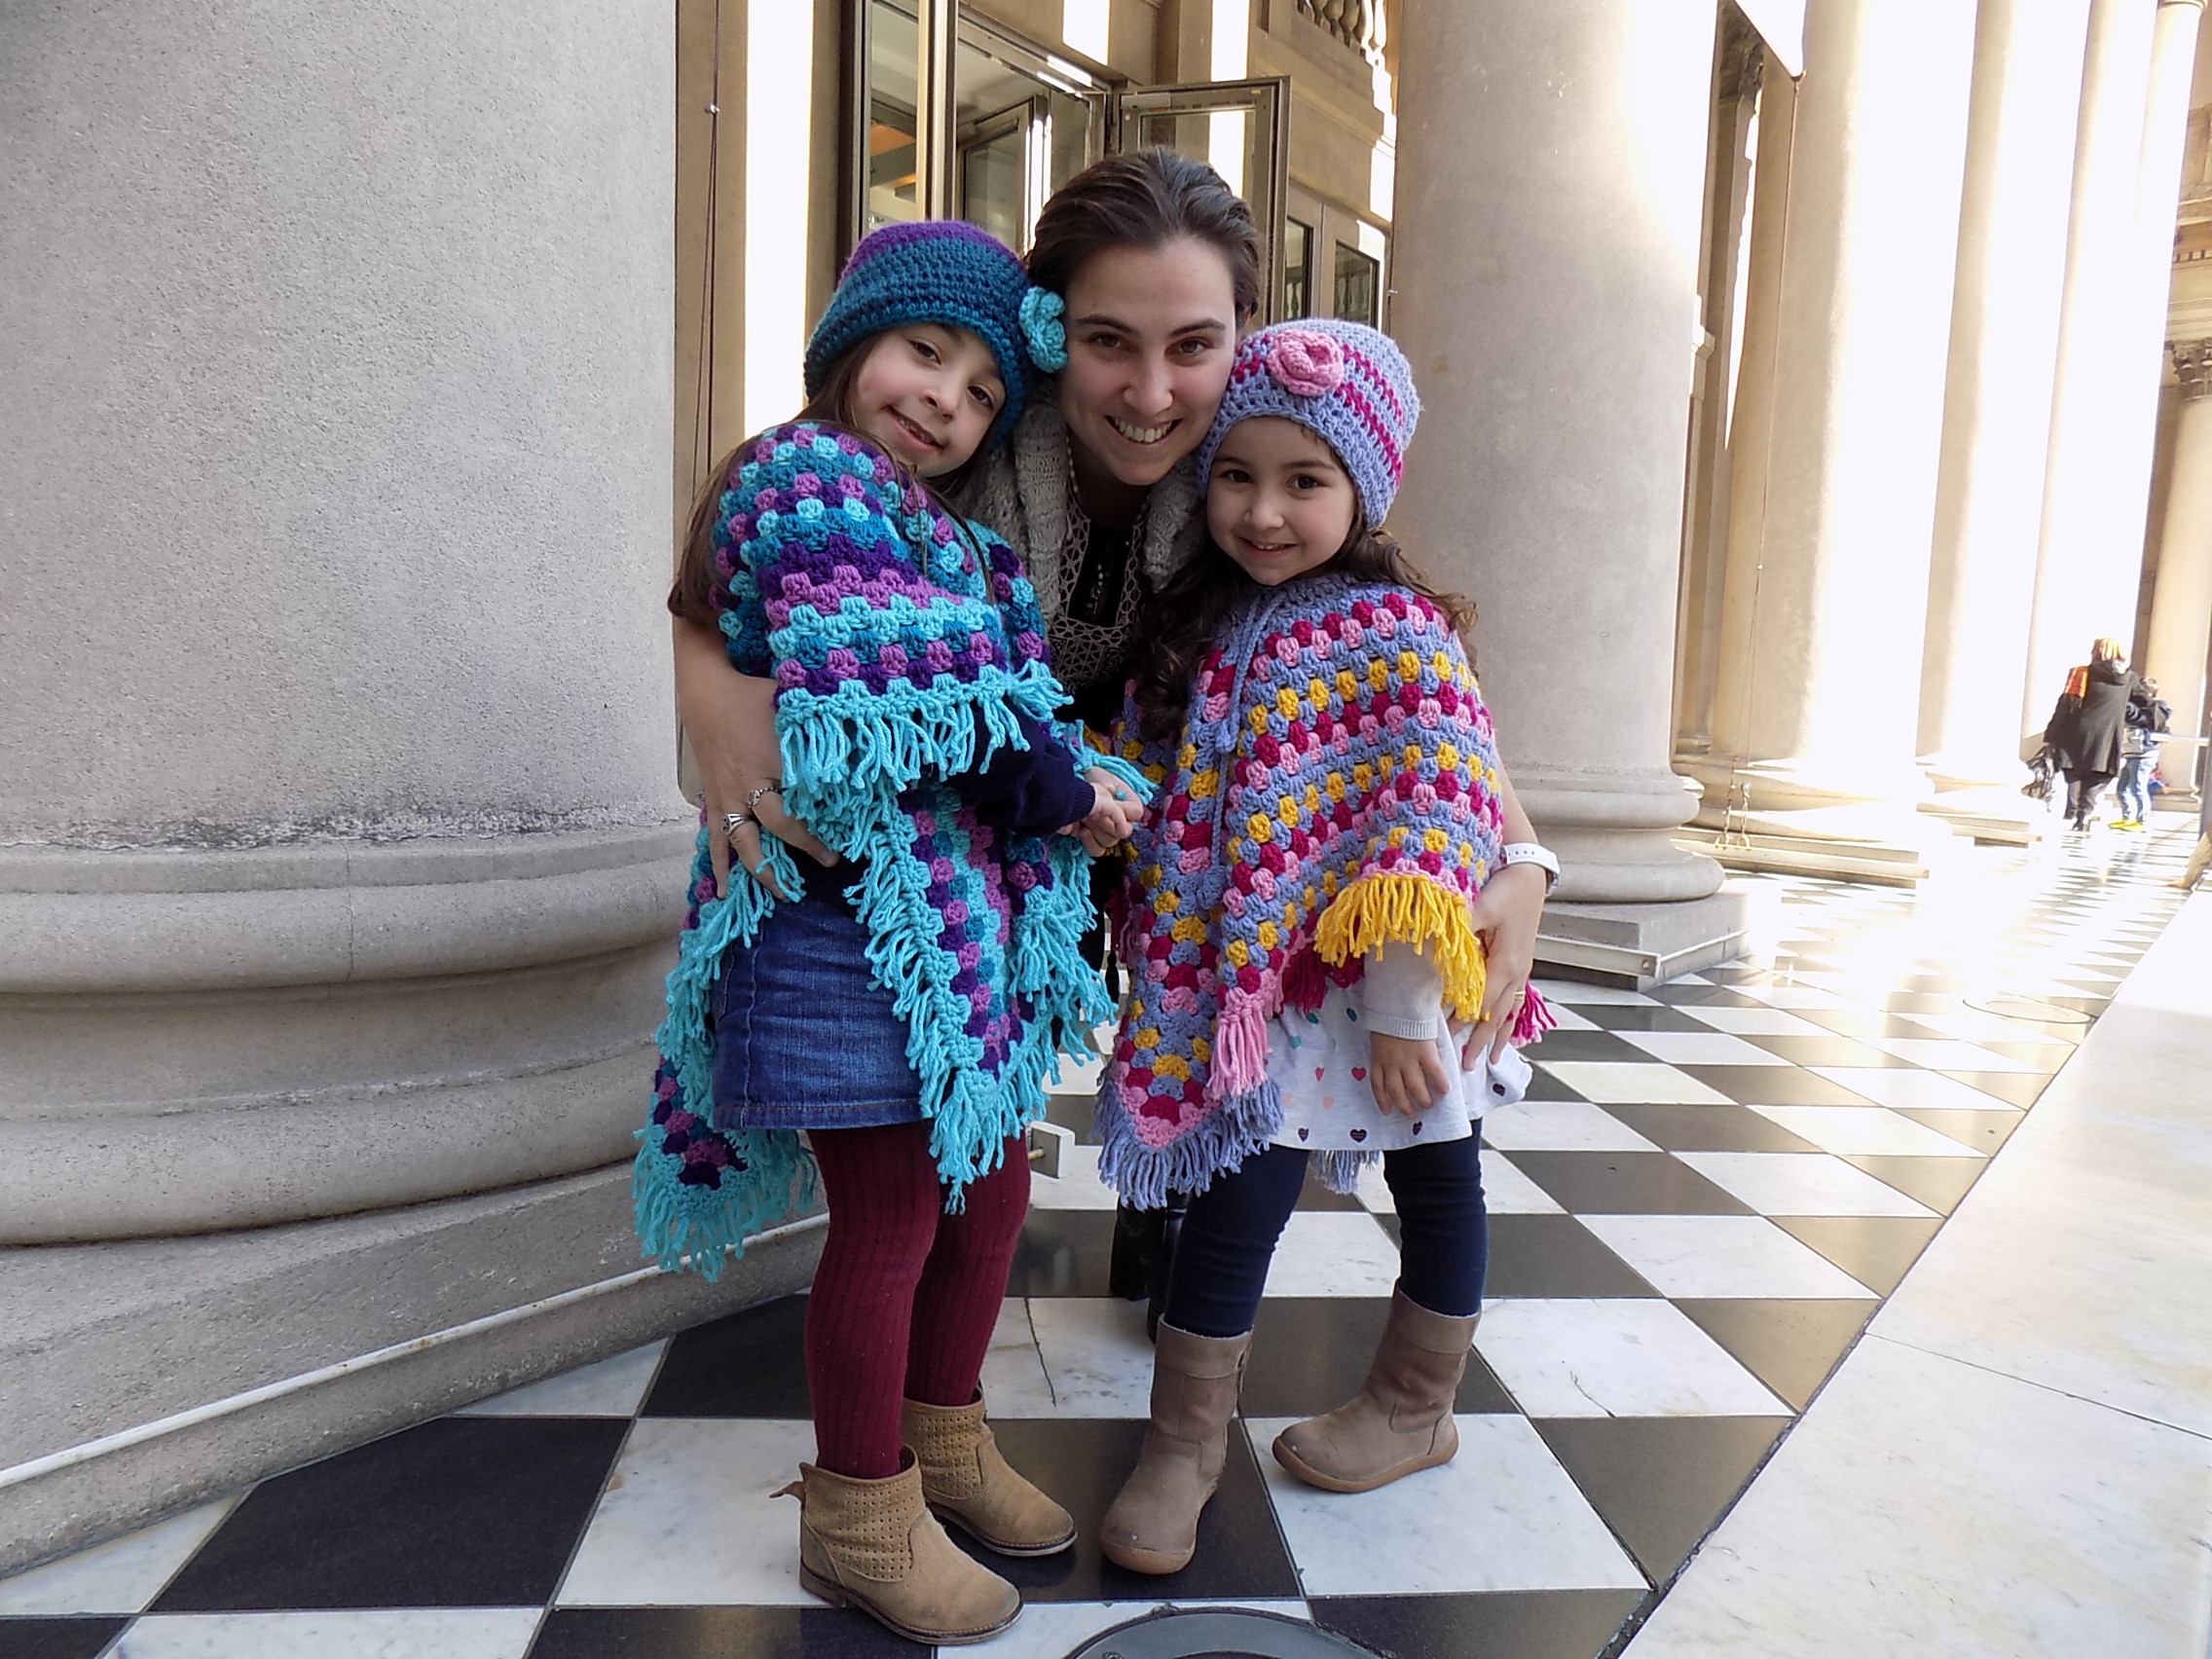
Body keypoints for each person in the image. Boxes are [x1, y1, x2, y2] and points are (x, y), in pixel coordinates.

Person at [668, 151, 1556, 1322]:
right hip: (986, 815)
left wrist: (1526, 853)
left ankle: (1162, 1199)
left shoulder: (1259, 469)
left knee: (1168, 1012)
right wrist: (721, 717)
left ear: (1243, 331)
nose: (1148, 393)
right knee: (945, 1115)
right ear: (1048, 332)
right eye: (1106, 342)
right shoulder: (968, 425)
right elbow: (732, 561)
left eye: (1191, 344)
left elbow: (1389, 649)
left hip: (1154, 804)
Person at [633, 221, 1151, 1645]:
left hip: (939, 947)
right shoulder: (808, 483)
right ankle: (860, 1511)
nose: (948, 399)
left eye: (986, 387)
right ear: (853, 340)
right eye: (927, 352)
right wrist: (1064, 796)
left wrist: (1079, 775)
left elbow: (1007, 695)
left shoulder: (951, 540)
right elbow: (931, 717)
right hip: (840, 940)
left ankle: (944, 1442)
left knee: (986, 1193)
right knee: (892, 1218)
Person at [1088, 321, 1557, 1576]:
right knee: (1237, 1197)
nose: (1263, 510)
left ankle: (1417, 1407)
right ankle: (1183, 1443)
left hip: (1395, 995)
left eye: (1305, 481)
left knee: (1440, 1178)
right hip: (1267, 991)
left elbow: (1433, 825)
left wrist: (1407, 1006)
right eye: (1236, 475)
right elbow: (1166, 779)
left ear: (1365, 488)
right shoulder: (1208, 623)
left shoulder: (1399, 632)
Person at [2043, 638, 2141, 832]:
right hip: (2107, 735)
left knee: (2074, 773)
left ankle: (2072, 812)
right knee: (2097, 775)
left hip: (2076, 732)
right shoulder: (2129, 678)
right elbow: (2143, 702)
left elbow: (2065, 705)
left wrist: (2051, 733)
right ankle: (2084, 814)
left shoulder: (2081, 673)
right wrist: (2158, 719)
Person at [2112, 677, 2170, 830]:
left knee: (2138, 787)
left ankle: (2142, 820)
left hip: (2145, 754)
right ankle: (2127, 816)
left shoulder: (2155, 710)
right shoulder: (2131, 710)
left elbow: (2149, 720)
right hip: (2130, 753)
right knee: (2122, 788)